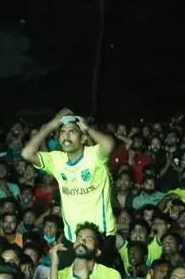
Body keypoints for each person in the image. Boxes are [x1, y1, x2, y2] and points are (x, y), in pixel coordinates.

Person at [21, 109, 116, 268]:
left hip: (101, 234)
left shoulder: (94, 156)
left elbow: (109, 144)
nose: (66, 135)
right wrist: (51, 125)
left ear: (83, 138)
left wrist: (87, 127)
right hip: (72, 236)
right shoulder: (57, 159)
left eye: (72, 132)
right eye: (63, 132)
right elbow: (27, 153)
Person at [49, 222, 121, 279]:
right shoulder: (58, 275)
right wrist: (54, 265)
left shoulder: (111, 275)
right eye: (79, 238)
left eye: (89, 240)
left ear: (97, 251)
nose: (82, 242)